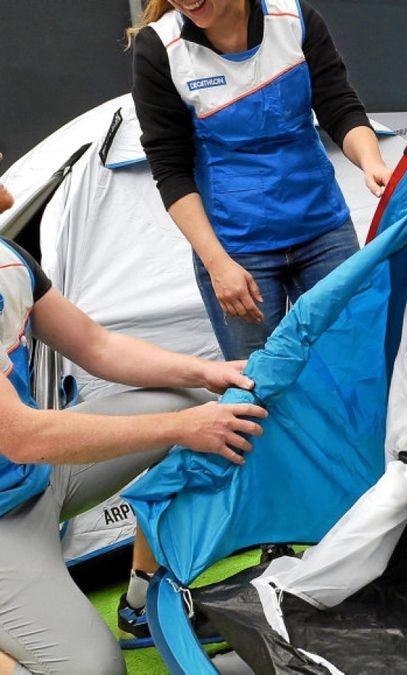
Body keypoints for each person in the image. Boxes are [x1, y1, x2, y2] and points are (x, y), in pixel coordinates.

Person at [0, 170, 269, 674]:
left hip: (32, 478)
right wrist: (184, 426)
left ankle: (142, 599)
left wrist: (203, 372)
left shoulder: (8, 257)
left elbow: (96, 347)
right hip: (11, 492)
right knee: (96, 671)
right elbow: (22, 436)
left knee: (185, 396)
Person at [128, 0, 391, 363]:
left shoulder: (294, 18)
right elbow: (170, 168)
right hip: (236, 249)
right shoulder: (161, 48)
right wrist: (217, 264)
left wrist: (371, 160)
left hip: (322, 230)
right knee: (259, 386)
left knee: (354, 361)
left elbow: (339, 106)